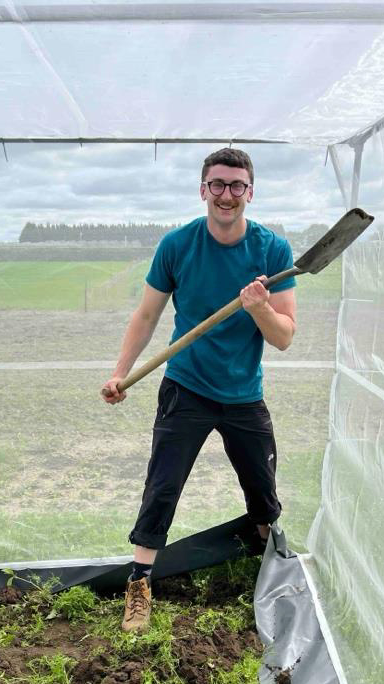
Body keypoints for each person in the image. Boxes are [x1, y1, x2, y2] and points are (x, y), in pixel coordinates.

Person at [100, 147, 297, 632]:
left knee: (262, 490)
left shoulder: (274, 251)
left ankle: (276, 566)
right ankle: (139, 584)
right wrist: (120, 372)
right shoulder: (177, 245)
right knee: (162, 486)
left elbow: (284, 336)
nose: (226, 194)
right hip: (185, 387)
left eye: (236, 186)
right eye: (217, 184)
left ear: (250, 192)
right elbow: (146, 315)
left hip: (243, 393)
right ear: (202, 188)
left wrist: (257, 308)